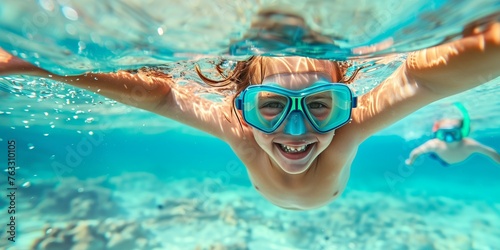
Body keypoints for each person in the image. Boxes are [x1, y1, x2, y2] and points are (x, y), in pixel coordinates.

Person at [1, 18, 499, 210]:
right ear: (242, 107)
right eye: (272, 107)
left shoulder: (345, 132)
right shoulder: (239, 132)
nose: (298, 131)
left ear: (344, 102)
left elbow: (420, 78)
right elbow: (158, 95)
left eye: (321, 105)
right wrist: (40, 68)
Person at [405, 103, 500, 166]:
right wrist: (410, 161)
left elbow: (492, 153)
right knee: (434, 156)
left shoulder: (469, 144)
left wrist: (410, 162)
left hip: (444, 157)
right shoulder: (435, 144)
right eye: (445, 133)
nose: (449, 137)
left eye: (453, 132)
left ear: (462, 132)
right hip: (439, 157)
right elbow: (416, 152)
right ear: (439, 133)